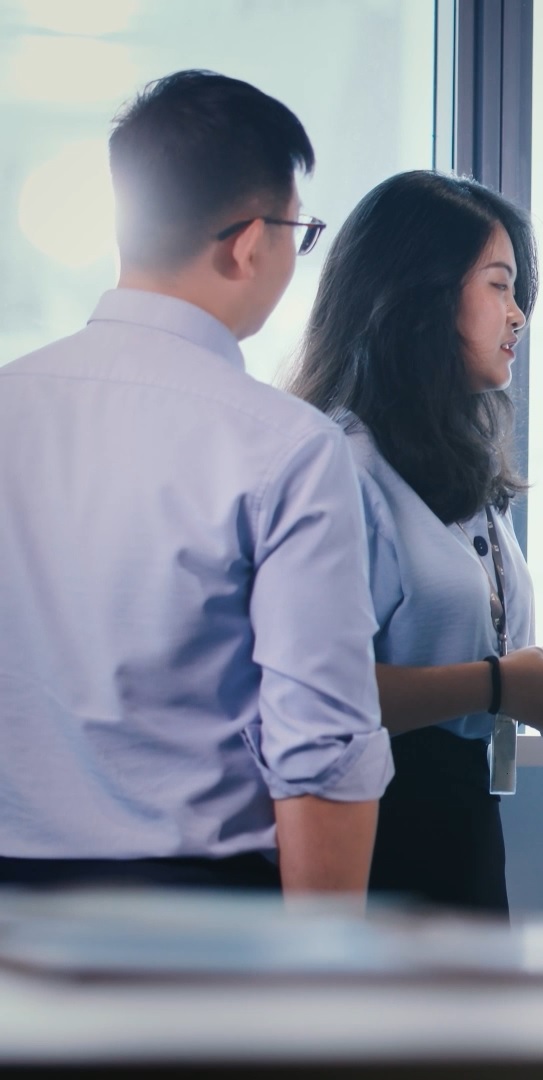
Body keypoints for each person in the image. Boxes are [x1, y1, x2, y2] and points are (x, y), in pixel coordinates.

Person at [0, 71, 389, 895]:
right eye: (299, 230)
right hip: (194, 915)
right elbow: (319, 750)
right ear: (250, 241)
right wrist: (325, 985)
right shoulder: (287, 446)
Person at [286, 171, 543, 914]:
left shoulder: (455, 467)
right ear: (423, 295)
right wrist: (501, 684)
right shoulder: (339, 465)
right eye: (500, 286)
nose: (519, 316)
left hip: (463, 820)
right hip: (378, 825)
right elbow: (315, 691)